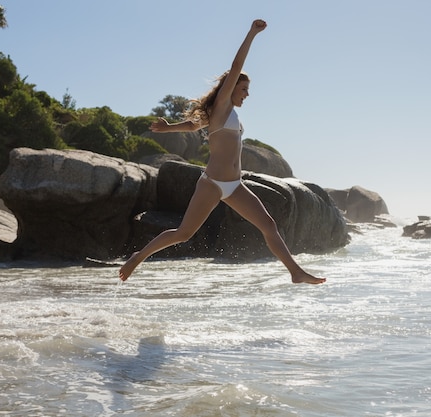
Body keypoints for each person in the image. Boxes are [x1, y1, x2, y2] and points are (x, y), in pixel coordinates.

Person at [118, 19, 326, 285]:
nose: (247, 94)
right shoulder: (223, 107)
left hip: (235, 185)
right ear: (231, 88)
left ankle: (295, 271)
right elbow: (236, 67)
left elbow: (194, 124)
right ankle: (138, 256)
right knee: (183, 233)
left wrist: (170, 127)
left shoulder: (225, 114)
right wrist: (252, 34)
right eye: (244, 89)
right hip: (212, 184)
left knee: (269, 225)